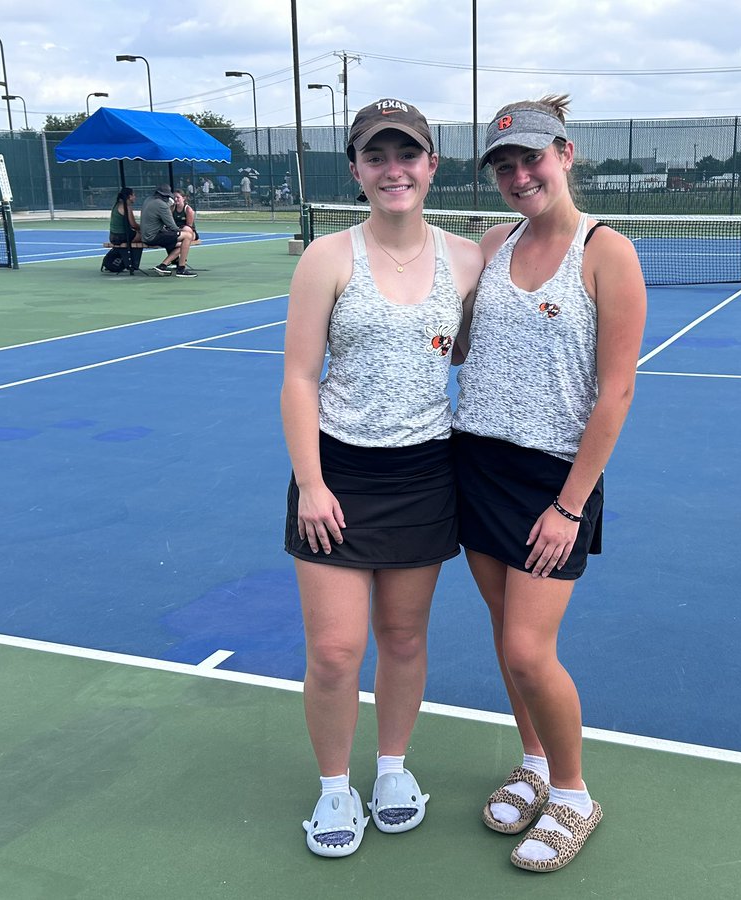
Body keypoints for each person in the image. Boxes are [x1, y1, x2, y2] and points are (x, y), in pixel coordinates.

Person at [281, 97, 483, 859]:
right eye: (376, 157)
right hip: (336, 473)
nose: (393, 169)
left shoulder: (468, 260)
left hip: (427, 472)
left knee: (402, 638)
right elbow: (300, 378)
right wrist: (311, 482)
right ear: (358, 170)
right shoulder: (327, 258)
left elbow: (458, 350)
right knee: (335, 650)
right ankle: (336, 786)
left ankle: (392, 769)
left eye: (408, 155)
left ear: (432, 165)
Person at [452, 95, 646, 872]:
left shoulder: (608, 252)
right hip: (478, 463)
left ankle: (571, 793)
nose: (518, 174)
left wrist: (571, 504)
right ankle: (532, 759)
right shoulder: (493, 243)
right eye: (504, 165)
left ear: (566, 154)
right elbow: (454, 339)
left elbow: (617, 392)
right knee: (505, 637)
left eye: (531, 158)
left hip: (551, 482)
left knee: (531, 650)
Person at [140, 183, 198, 277]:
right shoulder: (162, 205)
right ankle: (181, 269)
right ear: (164, 196)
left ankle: (163, 265)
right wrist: (180, 230)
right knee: (187, 236)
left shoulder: (148, 200)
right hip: (153, 237)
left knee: (182, 245)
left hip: (146, 235)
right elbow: (172, 226)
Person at [106, 186, 141, 274]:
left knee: (138, 236)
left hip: (113, 236)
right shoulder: (126, 207)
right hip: (122, 236)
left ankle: (128, 262)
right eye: (134, 195)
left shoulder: (116, 205)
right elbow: (133, 225)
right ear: (129, 196)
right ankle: (133, 263)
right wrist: (144, 228)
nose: (135, 197)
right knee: (144, 236)